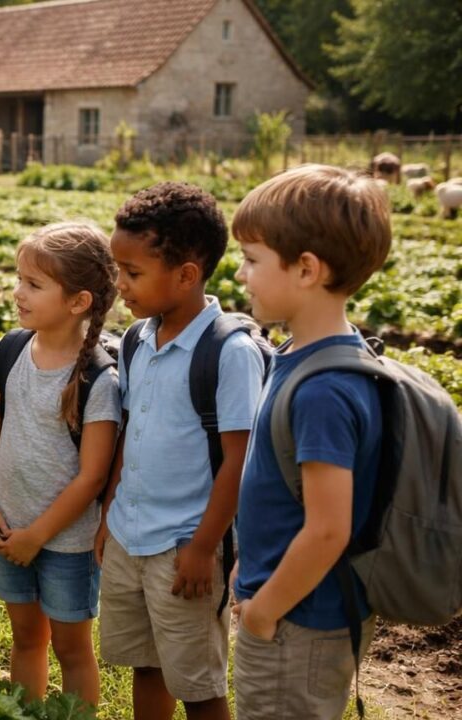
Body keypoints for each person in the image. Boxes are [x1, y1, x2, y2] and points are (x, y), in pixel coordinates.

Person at [96, 183, 264, 720]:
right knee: (147, 665)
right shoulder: (135, 340)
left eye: (133, 273)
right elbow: (128, 432)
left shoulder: (228, 353)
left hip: (184, 546)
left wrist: (203, 547)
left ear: (187, 275)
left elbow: (239, 461)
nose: (120, 285)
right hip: (129, 533)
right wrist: (109, 512)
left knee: (197, 683)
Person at [230, 165, 391, 719]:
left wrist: (264, 611)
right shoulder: (304, 355)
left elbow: (328, 529)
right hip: (290, 604)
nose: (241, 273)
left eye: (252, 260)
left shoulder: (324, 389)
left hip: (299, 620)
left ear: (305, 269)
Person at [0, 222, 121, 706]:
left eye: (34, 284)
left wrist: (39, 535)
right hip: (9, 527)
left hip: (67, 543)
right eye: (19, 278)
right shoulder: (9, 350)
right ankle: (25, 713)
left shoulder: (98, 377)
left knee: (72, 647)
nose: (18, 292)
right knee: (25, 639)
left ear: (78, 302)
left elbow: (92, 475)